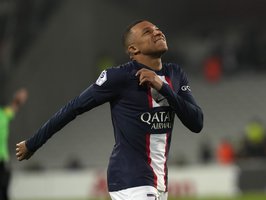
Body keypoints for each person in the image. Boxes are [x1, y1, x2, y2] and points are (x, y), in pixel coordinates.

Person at [15, 20, 204, 200]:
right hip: (130, 178)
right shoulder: (119, 77)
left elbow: (196, 122)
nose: (157, 32)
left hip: (160, 181)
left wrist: (162, 87)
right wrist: (33, 143)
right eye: (148, 32)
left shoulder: (175, 74)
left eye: (157, 29)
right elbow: (73, 108)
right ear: (133, 49)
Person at [0, 88, 28, 200]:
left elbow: (13, 108)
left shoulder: (3, 114)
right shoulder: (3, 114)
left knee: (4, 190)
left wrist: (17, 100)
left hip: (3, 160)